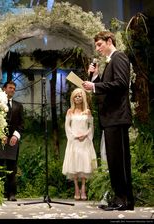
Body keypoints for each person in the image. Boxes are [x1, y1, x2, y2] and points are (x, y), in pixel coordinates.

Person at [82, 31, 134, 211]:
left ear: (109, 41)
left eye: (99, 45)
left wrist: (95, 86)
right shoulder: (111, 61)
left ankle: (124, 199)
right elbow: (108, 88)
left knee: (119, 160)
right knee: (114, 160)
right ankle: (121, 198)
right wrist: (95, 77)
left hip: (117, 117)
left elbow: (120, 83)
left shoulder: (118, 57)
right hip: (112, 118)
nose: (98, 49)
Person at [0, 80, 24, 202]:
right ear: (4, 89)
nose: (12, 90)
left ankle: (11, 194)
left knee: (12, 168)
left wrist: (15, 136)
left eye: (14, 88)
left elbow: (21, 124)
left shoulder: (18, 106)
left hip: (12, 141)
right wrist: (0, 135)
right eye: (10, 87)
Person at [62, 88, 97, 201]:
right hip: (74, 141)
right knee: (74, 164)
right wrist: (74, 136)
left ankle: (83, 188)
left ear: (83, 97)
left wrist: (85, 135)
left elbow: (91, 126)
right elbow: (67, 126)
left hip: (85, 141)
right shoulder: (70, 112)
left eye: (79, 96)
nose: (78, 98)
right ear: (73, 98)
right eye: (76, 96)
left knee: (84, 164)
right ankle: (76, 188)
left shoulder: (87, 112)